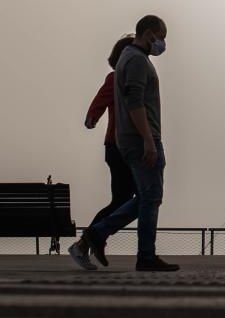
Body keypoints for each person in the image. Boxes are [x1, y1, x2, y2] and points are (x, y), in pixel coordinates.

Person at [82, 15, 179, 272]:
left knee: (147, 197)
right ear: (149, 34)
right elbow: (135, 102)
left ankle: (99, 234)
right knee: (150, 196)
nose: (162, 43)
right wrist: (148, 140)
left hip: (131, 138)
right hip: (140, 139)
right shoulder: (136, 60)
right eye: (161, 36)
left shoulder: (130, 58)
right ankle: (143, 255)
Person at [68, 35, 136, 271]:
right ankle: (88, 240)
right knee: (125, 200)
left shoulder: (135, 80)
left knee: (128, 200)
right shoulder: (116, 78)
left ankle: (91, 240)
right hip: (117, 147)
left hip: (131, 147)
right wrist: (92, 118)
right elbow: (101, 99)